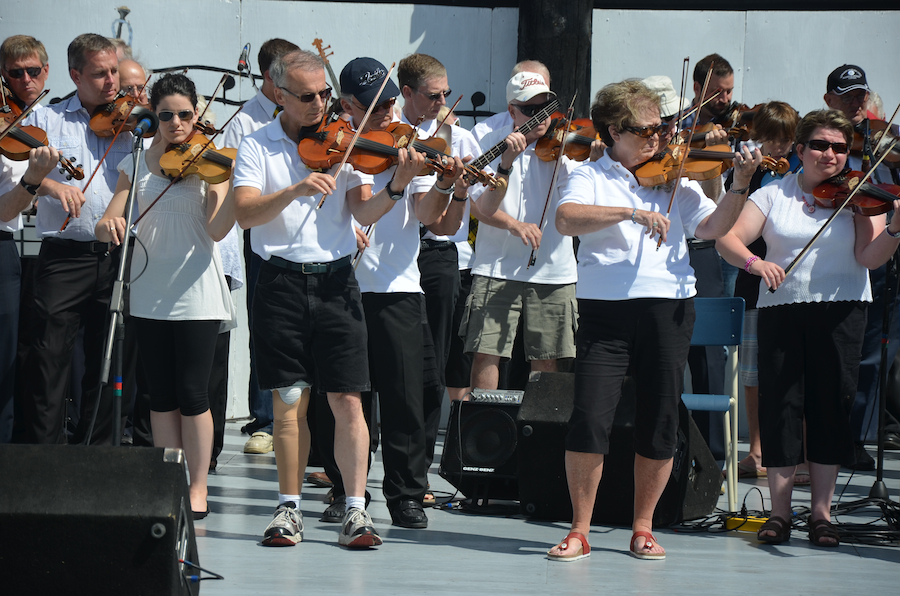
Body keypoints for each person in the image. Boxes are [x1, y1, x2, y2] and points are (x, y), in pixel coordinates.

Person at [548, 79, 758, 561]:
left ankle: (643, 527)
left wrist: (740, 185)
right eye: (647, 131)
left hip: (669, 308)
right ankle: (579, 529)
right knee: (589, 418)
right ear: (613, 131)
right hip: (606, 312)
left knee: (660, 419)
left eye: (662, 128)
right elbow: (566, 219)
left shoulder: (676, 179)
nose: (659, 138)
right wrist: (629, 212)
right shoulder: (587, 173)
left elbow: (713, 228)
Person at [233, 48, 398, 548]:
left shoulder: (346, 141)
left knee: (349, 398)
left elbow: (364, 212)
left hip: (336, 282)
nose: (321, 104)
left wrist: (401, 184)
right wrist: (294, 190)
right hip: (279, 281)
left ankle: (355, 509)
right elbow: (245, 214)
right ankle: (288, 509)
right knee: (289, 401)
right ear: (278, 94)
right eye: (307, 97)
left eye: (325, 94)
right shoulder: (257, 144)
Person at [716, 109, 900, 546]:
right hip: (783, 308)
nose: (831, 154)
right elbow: (727, 239)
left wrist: (894, 227)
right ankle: (779, 513)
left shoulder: (859, 194)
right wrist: (756, 263)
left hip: (843, 310)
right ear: (800, 150)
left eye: (840, 147)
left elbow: (869, 258)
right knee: (781, 405)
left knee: (830, 406)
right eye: (820, 144)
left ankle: (821, 514)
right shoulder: (773, 194)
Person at [94, 73, 235, 518]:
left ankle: (197, 486)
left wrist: (221, 185)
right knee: (159, 394)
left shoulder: (211, 161)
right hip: (150, 286)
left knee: (193, 392)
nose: (176, 123)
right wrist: (109, 226)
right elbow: (109, 218)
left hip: (195, 286)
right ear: (154, 115)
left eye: (186, 115)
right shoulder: (134, 160)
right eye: (167, 115)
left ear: (197, 114)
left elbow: (215, 230)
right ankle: (167, 480)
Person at [338, 56, 467, 528]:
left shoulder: (408, 145)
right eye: (377, 106)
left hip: (396, 282)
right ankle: (343, 488)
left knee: (406, 395)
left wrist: (446, 186)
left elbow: (430, 214)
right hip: (342, 284)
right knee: (345, 395)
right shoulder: (332, 144)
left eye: (392, 101)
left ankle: (407, 493)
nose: (389, 112)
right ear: (350, 104)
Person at [20, 33, 130, 445]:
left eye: (114, 71)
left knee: (109, 360)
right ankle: (45, 459)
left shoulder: (132, 123)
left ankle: (96, 457)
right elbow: (21, 173)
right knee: (48, 358)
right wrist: (49, 184)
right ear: (75, 75)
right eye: (99, 74)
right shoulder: (48, 120)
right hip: (63, 257)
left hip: (117, 254)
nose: (110, 82)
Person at [462, 71, 583, 391]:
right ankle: (484, 434)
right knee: (486, 353)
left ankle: (544, 437)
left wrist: (592, 156)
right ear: (512, 111)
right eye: (531, 110)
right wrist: (506, 164)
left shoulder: (567, 144)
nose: (541, 117)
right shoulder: (487, 137)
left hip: (553, 271)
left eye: (546, 107)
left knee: (548, 359)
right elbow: (480, 207)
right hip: (495, 266)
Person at [398, 53, 484, 471]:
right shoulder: (390, 131)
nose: (442, 101)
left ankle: (421, 465)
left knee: (433, 360)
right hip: (390, 254)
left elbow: (454, 222)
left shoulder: (459, 139)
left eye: (446, 93)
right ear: (407, 93)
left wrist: (462, 186)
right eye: (434, 95)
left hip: (435, 252)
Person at [222, 38, 300, 457]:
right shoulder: (244, 122)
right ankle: (265, 420)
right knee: (266, 330)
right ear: (270, 77)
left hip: (310, 238)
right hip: (265, 240)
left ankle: (306, 420)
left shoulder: (311, 115)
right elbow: (241, 189)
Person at [824, 64, 900, 469]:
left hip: (882, 251)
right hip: (835, 259)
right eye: (847, 95)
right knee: (834, 354)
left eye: (860, 95)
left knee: (873, 354)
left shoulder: (882, 137)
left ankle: (855, 437)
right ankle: (823, 440)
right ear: (829, 99)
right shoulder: (822, 139)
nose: (856, 103)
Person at [723, 101, 801, 480]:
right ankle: (756, 449)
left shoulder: (802, 171)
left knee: (794, 370)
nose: (780, 149)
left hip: (796, 282)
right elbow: (728, 219)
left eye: (787, 141)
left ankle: (796, 452)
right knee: (752, 373)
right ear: (758, 138)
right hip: (753, 281)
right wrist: (746, 176)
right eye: (772, 140)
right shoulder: (748, 171)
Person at [0, 35, 50, 443]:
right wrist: (39, 185)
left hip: (38, 248)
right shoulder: (7, 123)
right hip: (10, 242)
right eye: (16, 73)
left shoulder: (46, 121)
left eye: (33, 71)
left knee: (25, 351)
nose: (26, 80)